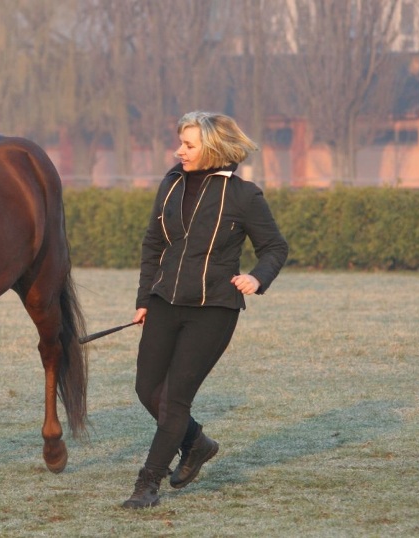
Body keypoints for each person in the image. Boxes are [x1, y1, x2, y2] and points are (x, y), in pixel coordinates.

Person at [121, 111, 288, 509]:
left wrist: (257, 278)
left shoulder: (245, 196)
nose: (180, 150)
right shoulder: (171, 183)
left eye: (189, 145)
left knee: (175, 400)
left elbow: (275, 247)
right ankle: (196, 443)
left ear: (212, 148)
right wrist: (144, 299)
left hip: (214, 308)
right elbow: (152, 245)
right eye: (181, 142)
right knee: (148, 390)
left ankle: (147, 484)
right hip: (164, 303)